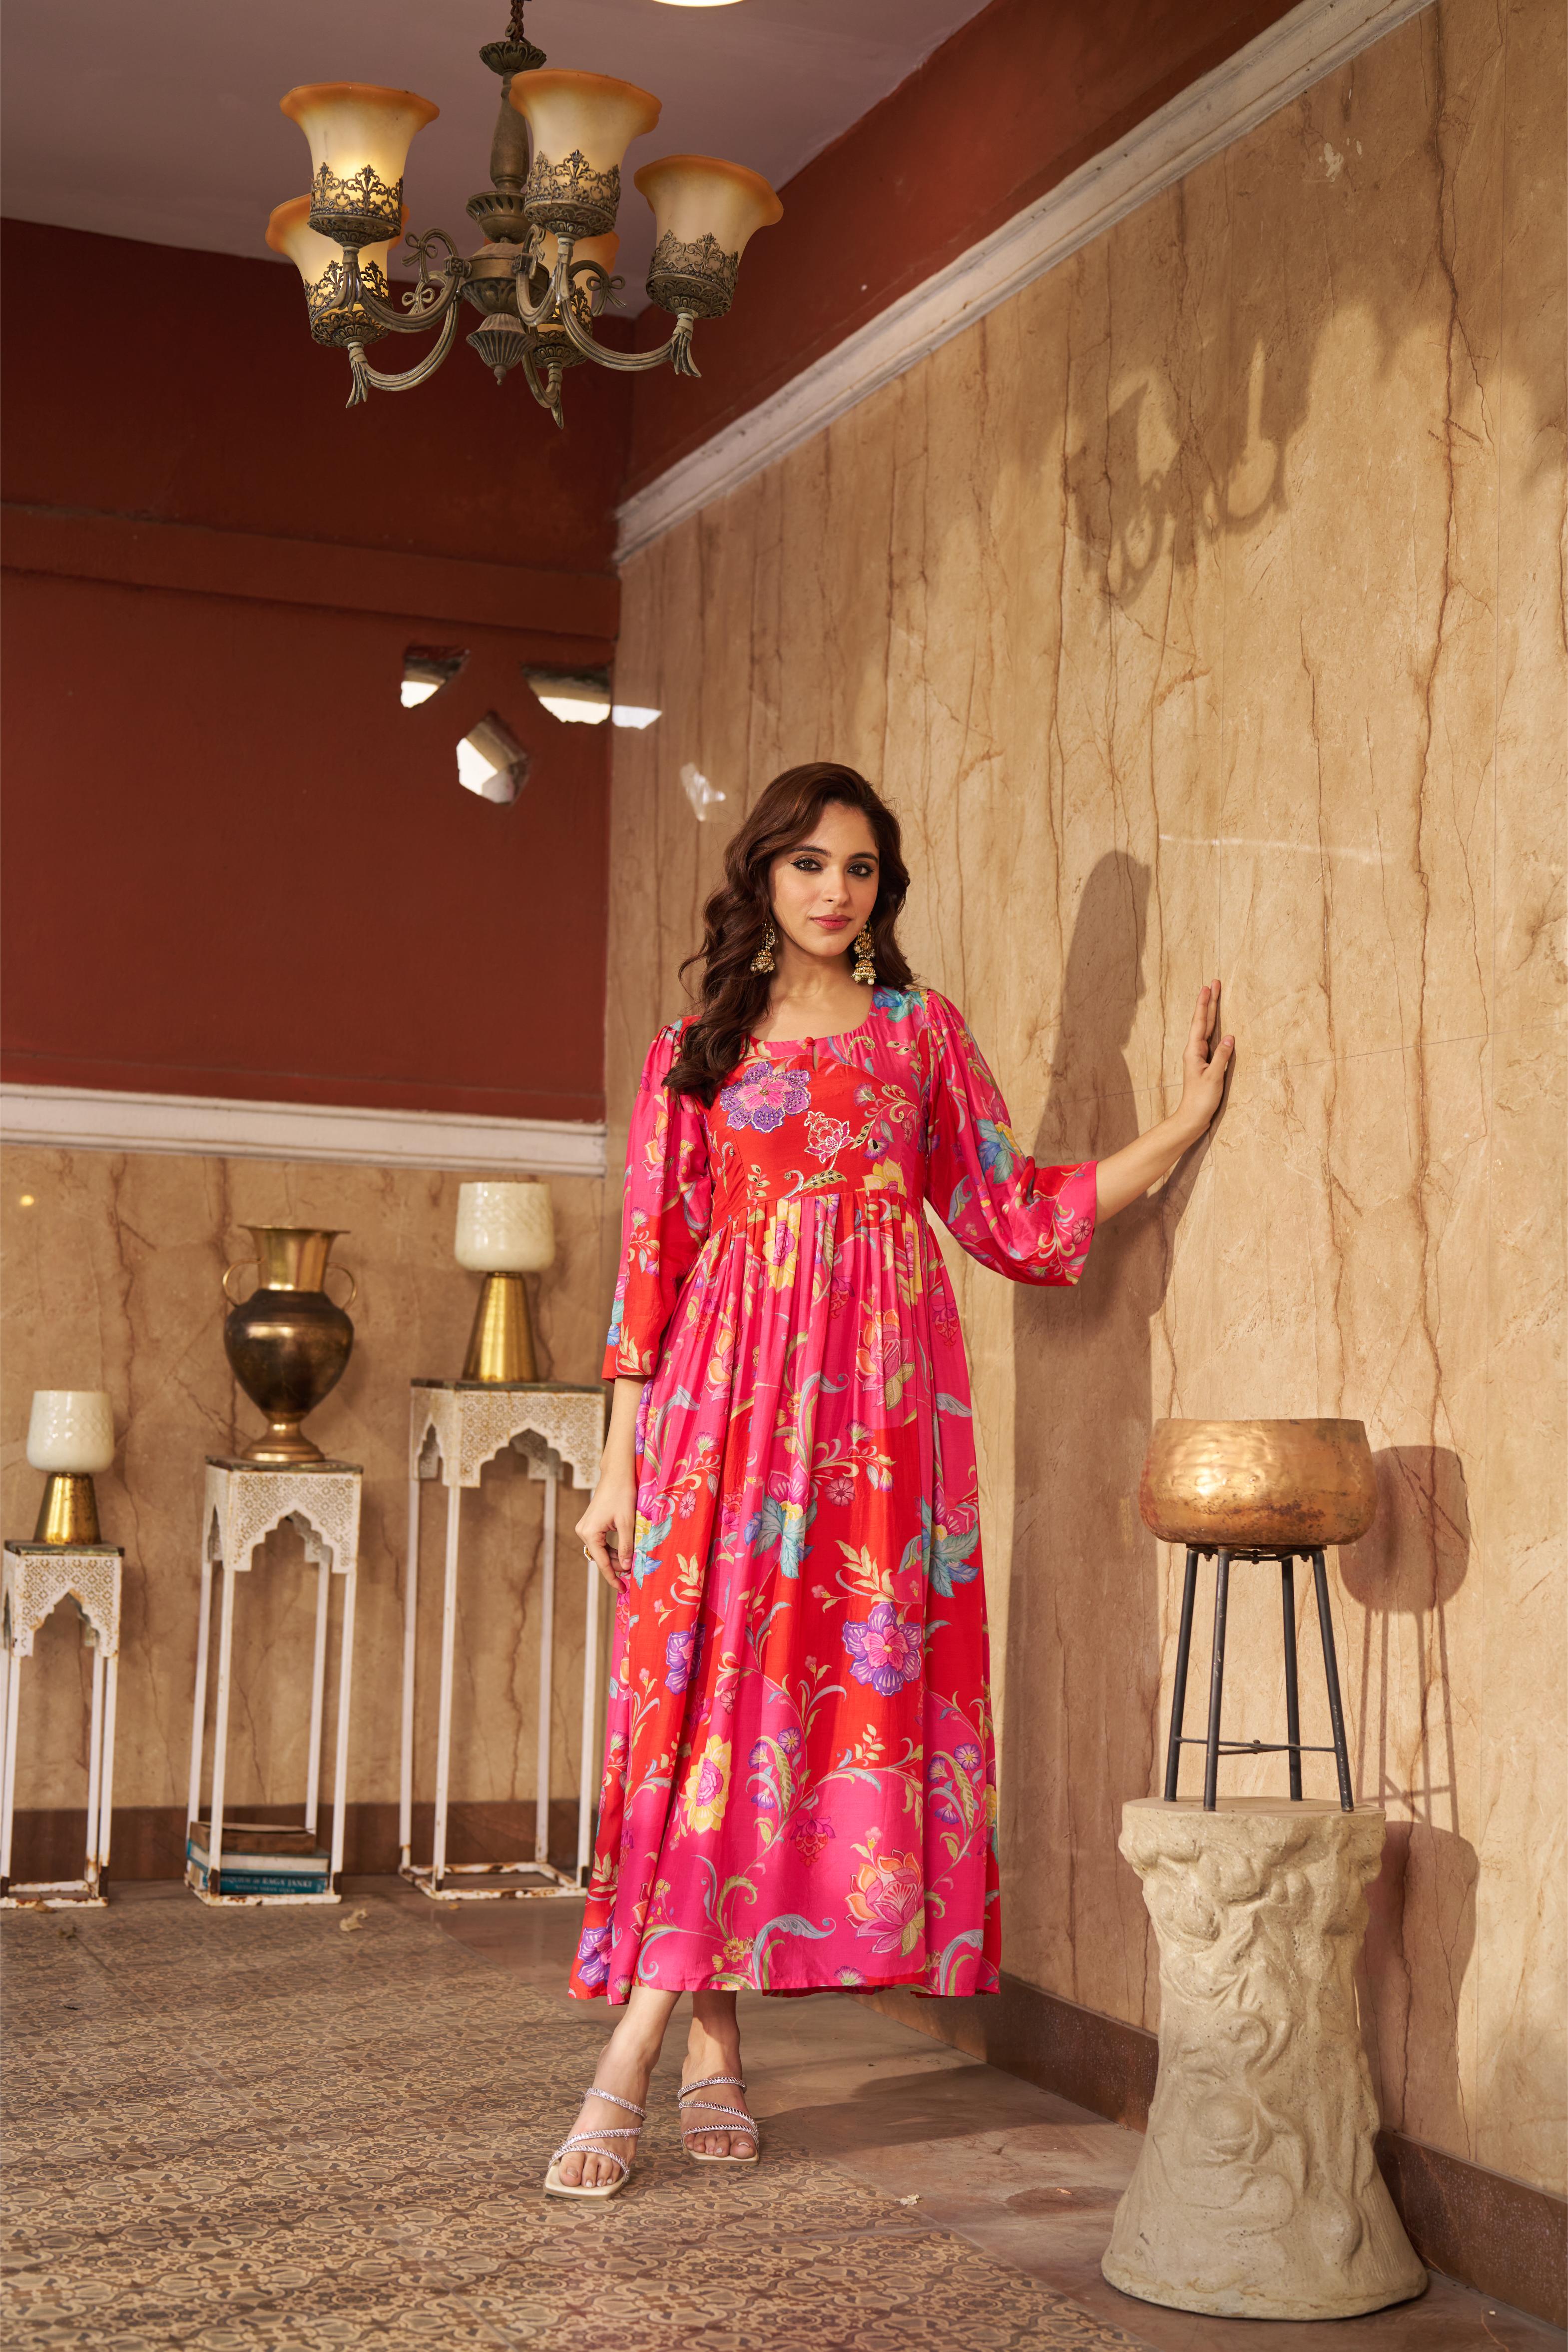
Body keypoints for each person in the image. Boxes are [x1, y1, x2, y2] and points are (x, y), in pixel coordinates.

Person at [547, 763, 1233, 2198]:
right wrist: (615, 1468)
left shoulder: (922, 1034)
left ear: (882, 889)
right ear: (763, 873)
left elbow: (1008, 1208)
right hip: (723, 1414)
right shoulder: (694, 1050)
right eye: (808, 862)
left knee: (788, 1712)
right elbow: (649, 1272)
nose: (833, 890)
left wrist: (1176, 1129)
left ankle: (691, 2043)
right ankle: (660, 2041)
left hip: (877, 1430)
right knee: (706, 1709)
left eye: (858, 867)